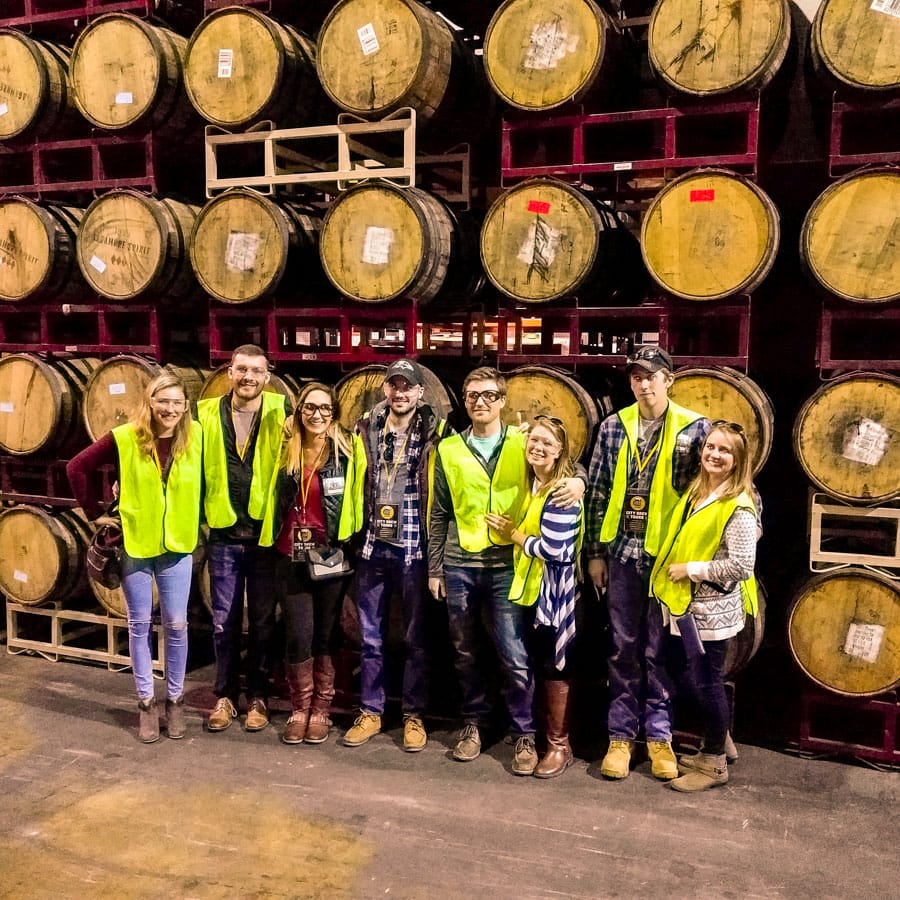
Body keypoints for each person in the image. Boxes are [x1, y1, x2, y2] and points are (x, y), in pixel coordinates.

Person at [429, 366, 584, 775]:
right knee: (465, 653)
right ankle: (474, 724)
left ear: (502, 401)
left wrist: (581, 482)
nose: (480, 402)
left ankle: (523, 733)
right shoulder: (448, 449)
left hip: (507, 566)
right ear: (465, 401)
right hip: (460, 562)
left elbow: (563, 460)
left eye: (489, 395)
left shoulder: (521, 441)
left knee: (514, 655)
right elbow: (440, 511)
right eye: (473, 395)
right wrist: (435, 567)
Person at [585, 345, 709, 781]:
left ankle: (659, 738)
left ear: (669, 379)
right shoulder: (613, 427)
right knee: (622, 649)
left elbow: (708, 490)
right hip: (621, 555)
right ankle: (620, 737)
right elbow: (598, 492)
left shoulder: (694, 429)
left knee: (659, 652)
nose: (643, 383)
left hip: (666, 560)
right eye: (636, 376)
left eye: (651, 376)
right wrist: (595, 554)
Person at [67, 373, 202, 743]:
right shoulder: (126, 436)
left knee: (176, 625)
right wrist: (94, 511)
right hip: (135, 545)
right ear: (150, 401)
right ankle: (146, 702)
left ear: (185, 406)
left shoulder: (196, 437)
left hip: (177, 545)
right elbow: (77, 468)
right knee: (139, 624)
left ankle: (174, 700)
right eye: (163, 401)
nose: (170, 409)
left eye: (177, 402)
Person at [337, 359, 450, 752]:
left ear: (420, 393)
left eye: (408, 387)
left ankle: (413, 716)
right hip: (373, 548)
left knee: (417, 639)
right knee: (371, 639)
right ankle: (371, 711)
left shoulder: (436, 432)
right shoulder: (366, 430)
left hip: (414, 551)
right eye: (394, 386)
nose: (400, 393)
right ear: (386, 390)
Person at [650, 420, 759, 791]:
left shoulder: (739, 506)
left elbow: (743, 566)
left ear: (738, 459)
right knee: (691, 678)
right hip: (689, 606)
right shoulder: (701, 490)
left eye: (724, 450)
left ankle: (714, 762)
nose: (714, 454)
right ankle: (717, 739)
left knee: (708, 682)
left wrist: (691, 569)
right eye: (710, 447)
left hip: (712, 609)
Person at [486, 415, 583, 778]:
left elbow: (554, 550)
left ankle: (559, 746)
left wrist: (513, 535)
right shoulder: (536, 485)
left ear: (560, 451)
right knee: (537, 662)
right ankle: (537, 739)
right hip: (534, 589)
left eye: (547, 443)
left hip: (556, 594)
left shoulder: (561, 491)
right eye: (533, 442)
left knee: (554, 666)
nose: (537, 448)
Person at [198, 344, 288, 733]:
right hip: (223, 533)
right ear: (229, 373)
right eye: (241, 369)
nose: (248, 376)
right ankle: (225, 695)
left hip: (265, 536)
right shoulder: (203, 414)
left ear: (267, 376)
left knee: (265, 622)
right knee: (224, 621)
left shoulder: (282, 410)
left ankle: (259, 697)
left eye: (256, 370)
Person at [259, 383, 355, 745]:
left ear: (334, 413)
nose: (317, 415)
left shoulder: (346, 451)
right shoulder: (285, 450)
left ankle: (322, 710)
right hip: (290, 554)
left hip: (330, 554)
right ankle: (300, 708)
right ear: (298, 412)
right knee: (299, 634)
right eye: (309, 408)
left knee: (326, 634)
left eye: (324, 409)